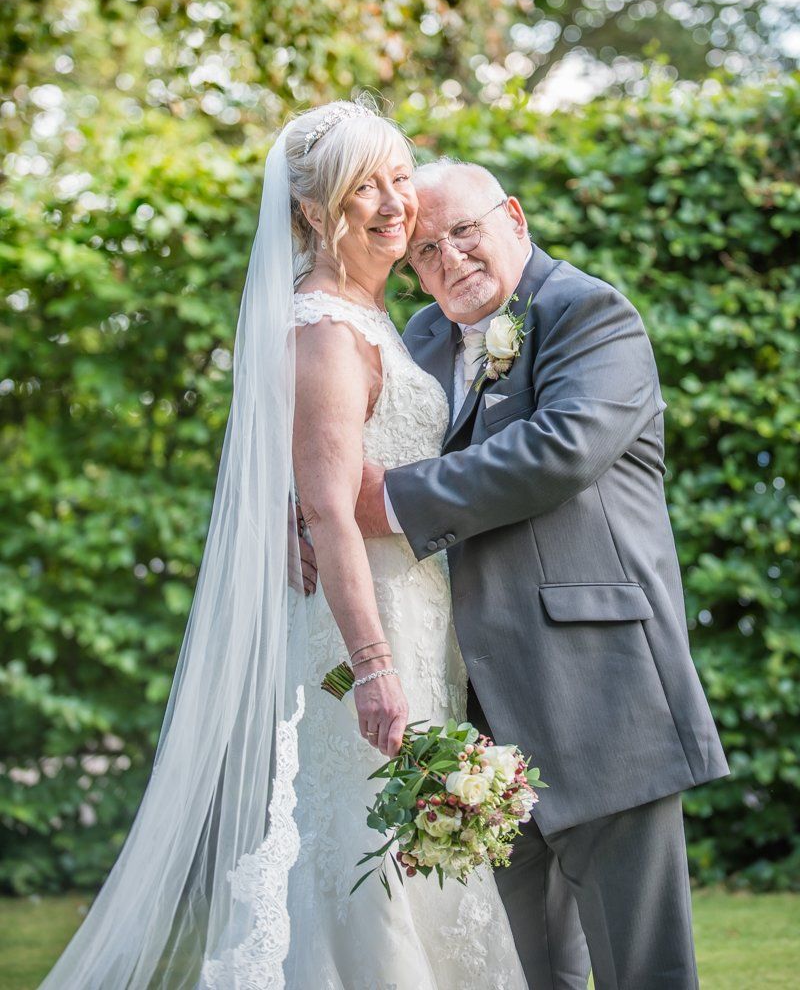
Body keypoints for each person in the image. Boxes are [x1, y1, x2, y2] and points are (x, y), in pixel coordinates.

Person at [40, 102, 528, 990]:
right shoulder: (325, 330)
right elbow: (334, 513)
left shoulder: (372, 315)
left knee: (408, 843)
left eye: (396, 176)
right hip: (365, 631)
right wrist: (374, 666)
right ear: (313, 212)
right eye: (360, 191)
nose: (392, 205)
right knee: (368, 847)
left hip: (418, 616)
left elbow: (304, 475)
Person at [351, 157, 730, 990]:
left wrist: (391, 503)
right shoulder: (417, 340)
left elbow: (558, 450)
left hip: (599, 682)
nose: (447, 258)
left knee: (644, 964)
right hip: (472, 700)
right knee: (524, 967)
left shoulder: (587, 312)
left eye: (464, 231)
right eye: (423, 249)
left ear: (514, 218)